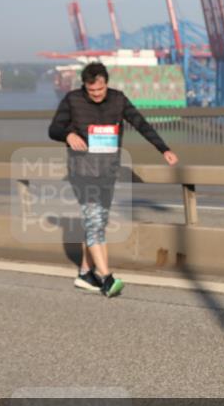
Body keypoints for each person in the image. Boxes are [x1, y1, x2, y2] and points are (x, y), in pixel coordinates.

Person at [48, 62, 179, 297]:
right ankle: (107, 278)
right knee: (95, 222)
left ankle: (85, 273)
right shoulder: (73, 99)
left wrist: (164, 149)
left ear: (106, 84)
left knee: (97, 222)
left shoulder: (118, 99)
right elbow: (53, 128)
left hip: (108, 171)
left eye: (100, 90)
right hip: (82, 172)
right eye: (91, 91)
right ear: (85, 87)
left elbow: (141, 124)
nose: (96, 95)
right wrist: (68, 134)